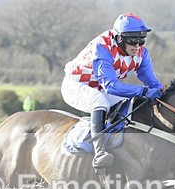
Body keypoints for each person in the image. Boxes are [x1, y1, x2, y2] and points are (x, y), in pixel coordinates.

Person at [62, 13, 164, 171]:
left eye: (141, 39)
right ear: (119, 38)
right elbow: (111, 86)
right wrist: (144, 92)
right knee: (99, 101)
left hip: (100, 87)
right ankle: (99, 152)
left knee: (128, 104)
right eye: (132, 40)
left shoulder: (141, 53)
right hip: (76, 85)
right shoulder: (102, 47)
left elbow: (152, 82)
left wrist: (162, 91)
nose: (137, 45)